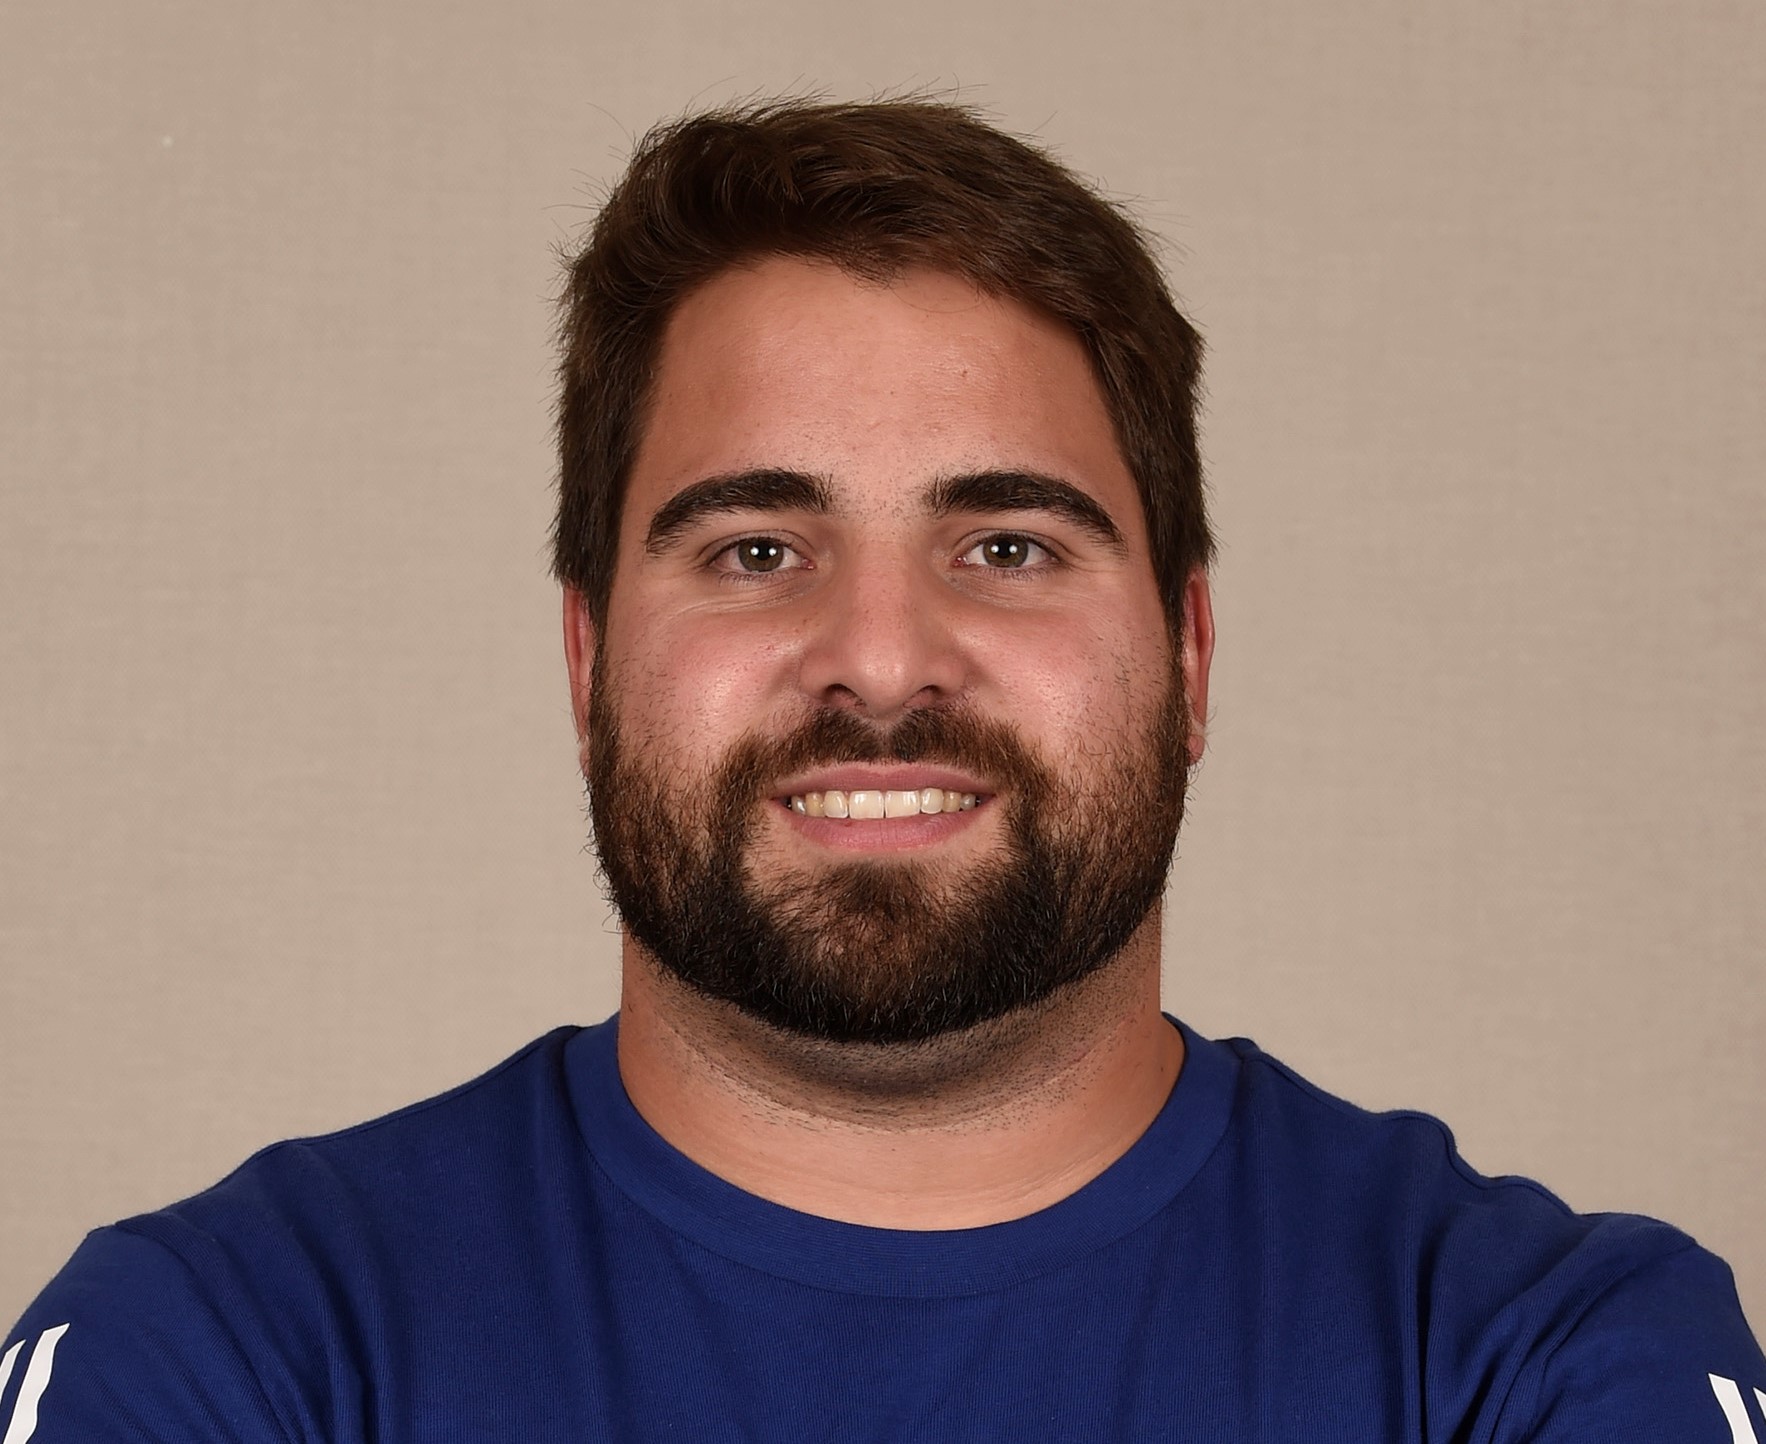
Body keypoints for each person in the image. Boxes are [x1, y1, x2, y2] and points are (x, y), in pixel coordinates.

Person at [5, 97, 1762, 1443]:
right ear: (587, 661)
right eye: (757, 548)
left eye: (1005, 546)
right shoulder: (226, 1352)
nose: (880, 658)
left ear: (1189, 654)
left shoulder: (1535, 1360)